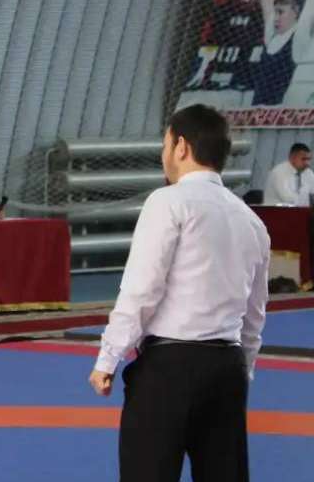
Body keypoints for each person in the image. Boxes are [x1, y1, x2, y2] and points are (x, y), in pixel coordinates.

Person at [88, 104, 269, 482]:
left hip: (170, 366)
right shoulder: (252, 220)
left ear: (182, 146)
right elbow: (255, 313)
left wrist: (109, 355)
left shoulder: (167, 202)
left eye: (165, 143)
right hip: (228, 367)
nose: (163, 153)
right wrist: (243, 369)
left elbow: (142, 287)